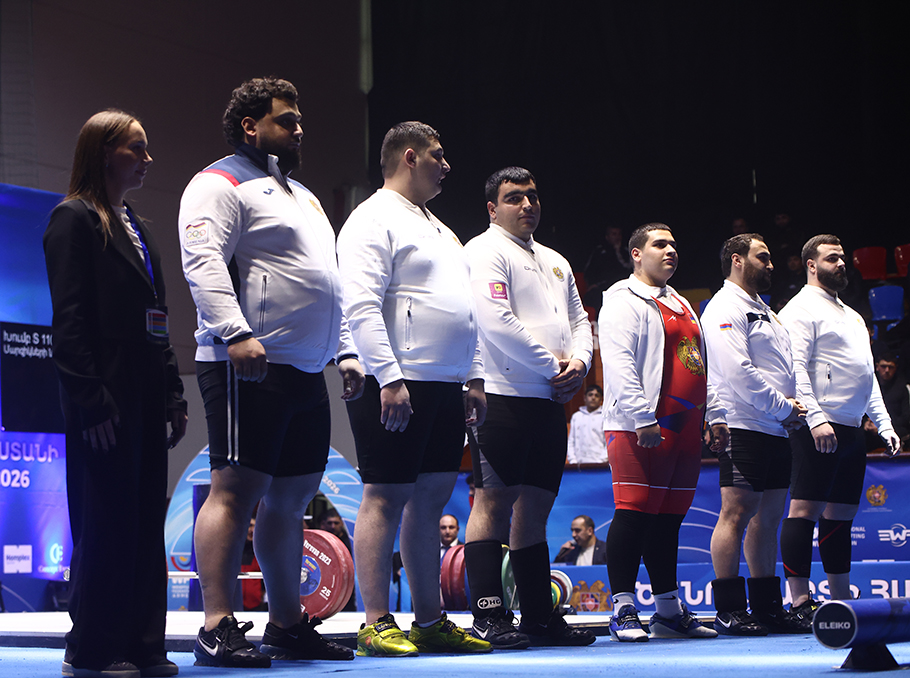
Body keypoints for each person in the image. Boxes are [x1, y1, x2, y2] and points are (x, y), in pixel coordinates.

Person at [179, 77, 363, 668]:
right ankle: (216, 626)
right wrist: (235, 333)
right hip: (248, 364)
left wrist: (346, 351)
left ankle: (286, 624)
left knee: (291, 499)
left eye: (299, 119)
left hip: (305, 369)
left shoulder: (302, 195)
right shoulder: (218, 183)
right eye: (287, 120)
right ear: (250, 126)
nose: (299, 128)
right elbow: (203, 261)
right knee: (234, 493)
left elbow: (329, 283)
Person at [337, 121, 491, 657]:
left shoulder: (443, 230)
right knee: (384, 496)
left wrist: (474, 375)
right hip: (396, 382)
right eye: (438, 156)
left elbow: (466, 312)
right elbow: (360, 304)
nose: (446, 166)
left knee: (429, 501)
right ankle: (375, 623)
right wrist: (389, 376)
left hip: (446, 384)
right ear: (409, 156)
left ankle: (429, 620)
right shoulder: (371, 218)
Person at [44, 109, 187, 678]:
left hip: (146, 393)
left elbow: (158, 320)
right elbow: (69, 320)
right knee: (105, 521)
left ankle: (144, 644)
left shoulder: (139, 228)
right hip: (104, 397)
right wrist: (90, 401)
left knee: (145, 518)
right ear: (105, 153)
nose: (148, 158)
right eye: (137, 148)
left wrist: (173, 394)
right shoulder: (72, 219)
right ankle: (94, 650)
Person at [462, 167, 595, 649]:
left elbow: (580, 322)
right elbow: (495, 320)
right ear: (492, 208)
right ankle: (487, 616)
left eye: (533, 196)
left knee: (536, 510)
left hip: (548, 400)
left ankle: (538, 617)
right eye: (514, 197)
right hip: (501, 395)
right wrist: (555, 368)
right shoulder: (483, 250)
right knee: (493, 504)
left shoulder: (556, 260)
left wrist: (580, 364)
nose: (527, 205)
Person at [600, 223, 728, 642]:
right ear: (636, 254)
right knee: (633, 513)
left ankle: (668, 612)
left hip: (685, 428)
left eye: (673, 243)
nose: (670, 250)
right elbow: (618, 363)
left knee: (669, 519)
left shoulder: (682, 303)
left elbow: (699, 363)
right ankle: (622, 610)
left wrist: (715, 414)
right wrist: (642, 417)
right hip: (640, 427)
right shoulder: (622, 300)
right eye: (660, 244)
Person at [778, 234, 901, 619]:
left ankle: (841, 599)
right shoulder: (800, 309)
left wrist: (884, 423)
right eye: (832, 258)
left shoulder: (853, 315)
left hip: (851, 428)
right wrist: (815, 419)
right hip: (818, 426)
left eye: (843, 257)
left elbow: (867, 376)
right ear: (811, 265)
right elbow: (795, 369)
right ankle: (799, 602)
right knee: (803, 511)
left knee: (841, 517)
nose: (842, 263)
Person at [701, 233, 809, 636]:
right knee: (736, 513)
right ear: (737, 260)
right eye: (763, 257)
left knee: (769, 517)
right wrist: (784, 408)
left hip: (776, 428)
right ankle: (729, 609)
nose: (771, 264)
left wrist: (792, 411)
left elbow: (785, 369)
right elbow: (738, 371)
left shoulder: (766, 310)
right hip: (743, 424)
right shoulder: (724, 307)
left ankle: (767, 608)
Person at [864, 353, 910, 451]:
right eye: (883, 366)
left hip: (895, 430)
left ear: (896, 368)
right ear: (877, 367)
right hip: (869, 434)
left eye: (890, 367)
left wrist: (882, 426)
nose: (887, 370)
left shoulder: (902, 388)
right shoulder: (868, 385)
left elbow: (906, 418)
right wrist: (865, 423)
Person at [582, 225, 632, 309]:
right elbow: (589, 272)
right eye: (614, 234)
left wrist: (618, 252)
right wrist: (593, 284)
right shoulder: (599, 251)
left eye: (619, 234)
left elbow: (629, 269)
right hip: (601, 288)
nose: (617, 237)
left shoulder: (627, 251)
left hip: (623, 287)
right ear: (607, 237)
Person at [567, 385, 608, 464]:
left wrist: (601, 461)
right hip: (578, 463)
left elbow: (608, 442)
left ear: (601, 399)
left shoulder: (604, 417)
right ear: (585, 398)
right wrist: (573, 460)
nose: (593, 398)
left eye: (597, 395)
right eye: (590, 395)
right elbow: (571, 441)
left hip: (600, 464)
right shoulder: (577, 416)